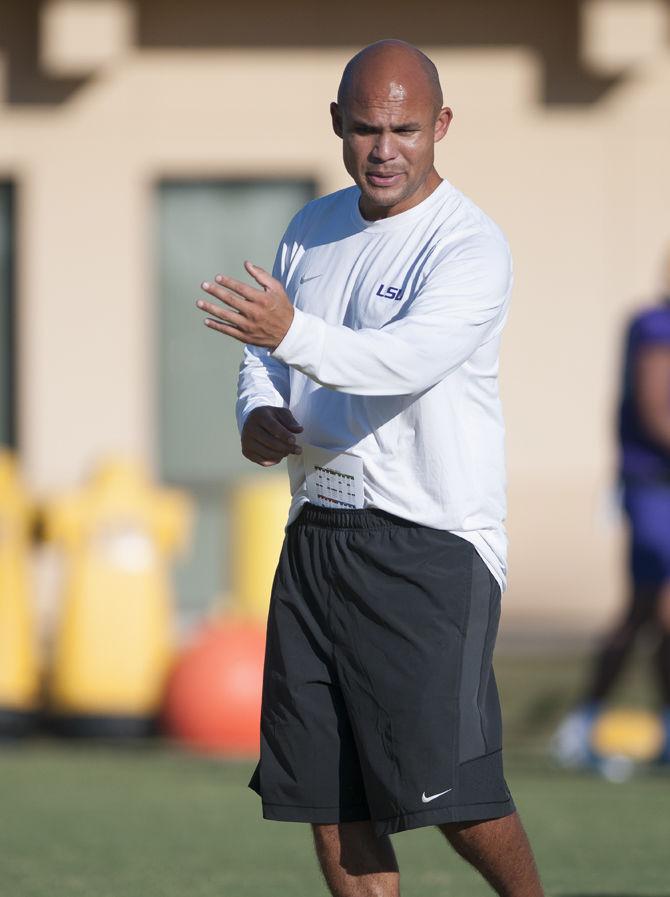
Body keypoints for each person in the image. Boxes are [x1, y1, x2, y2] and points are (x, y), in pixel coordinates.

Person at [196, 39, 543, 897]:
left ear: (442, 127)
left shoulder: (469, 247)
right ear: (337, 127)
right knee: (330, 795)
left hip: (428, 543)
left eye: (404, 128)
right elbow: (263, 359)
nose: (384, 149)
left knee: (455, 794)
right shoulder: (310, 228)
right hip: (314, 530)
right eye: (364, 129)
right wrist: (257, 414)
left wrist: (288, 335)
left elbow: (400, 361)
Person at [552, 276, 670, 768]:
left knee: (646, 611)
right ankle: (584, 722)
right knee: (656, 607)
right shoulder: (655, 325)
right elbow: (657, 408)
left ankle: (592, 718)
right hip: (655, 487)